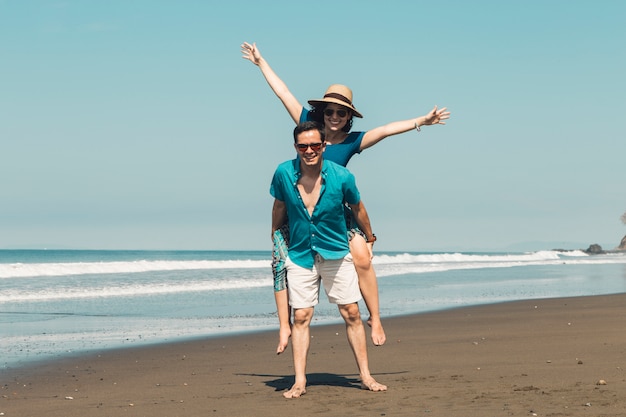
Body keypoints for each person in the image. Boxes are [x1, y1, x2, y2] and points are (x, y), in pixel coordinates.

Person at [242, 41, 450, 352]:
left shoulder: (352, 141)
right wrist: (261, 62)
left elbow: (387, 129)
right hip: (300, 212)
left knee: (363, 257)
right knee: (280, 263)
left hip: (338, 217)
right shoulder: (307, 128)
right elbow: (283, 92)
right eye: (330, 111)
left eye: (341, 112)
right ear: (322, 112)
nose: (334, 116)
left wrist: (422, 120)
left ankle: (375, 318)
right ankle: (284, 328)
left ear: (348, 116)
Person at [270, 121, 387, 398]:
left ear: (324, 145)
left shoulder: (342, 176)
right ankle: (299, 381)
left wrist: (370, 237)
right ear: (295, 147)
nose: (309, 150)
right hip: (300, 253)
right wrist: (274, 236)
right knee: (301, 315)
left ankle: (366, 376)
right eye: (303, 146)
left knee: (351, 312)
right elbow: (278, 206)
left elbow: (358, 208)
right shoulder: (283, 173)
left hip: (335, 250)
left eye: (314, 145)